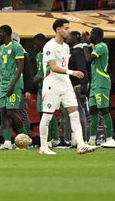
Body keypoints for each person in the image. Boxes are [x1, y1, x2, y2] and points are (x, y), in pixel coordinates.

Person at [37, 19, 96, 156]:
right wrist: (72, 72)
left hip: (65, 84)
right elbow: (53, 67)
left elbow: (62, 65)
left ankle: (81, 144)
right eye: (66, 28)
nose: (69, 31)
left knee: (74, 113)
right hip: (52, 85)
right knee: (47, 116)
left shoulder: (65, 47)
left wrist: (69, 74)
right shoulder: (49, 46)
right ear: (58, 30)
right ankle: (43, 147)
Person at [0, 25, 30, 151]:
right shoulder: (1, 48)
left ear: (6, 34)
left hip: (14, 83)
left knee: (11, 111)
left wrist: (12, 85)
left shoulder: (16, 47)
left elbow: (20, 67)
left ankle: (26, 139)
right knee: (3, 112)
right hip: (3, 84)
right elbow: (2, 68)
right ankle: (7, 142)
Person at [87, 28, 115, 147]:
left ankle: (109, 139)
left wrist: (84, 44)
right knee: (93, 111)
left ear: (97, 36)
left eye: (91, 34)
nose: (89, 37)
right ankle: (91, 140)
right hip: (94, 84)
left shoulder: (102, 46)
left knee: (104, 110)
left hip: (102, 83)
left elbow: (88, 59)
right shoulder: (96, 48)